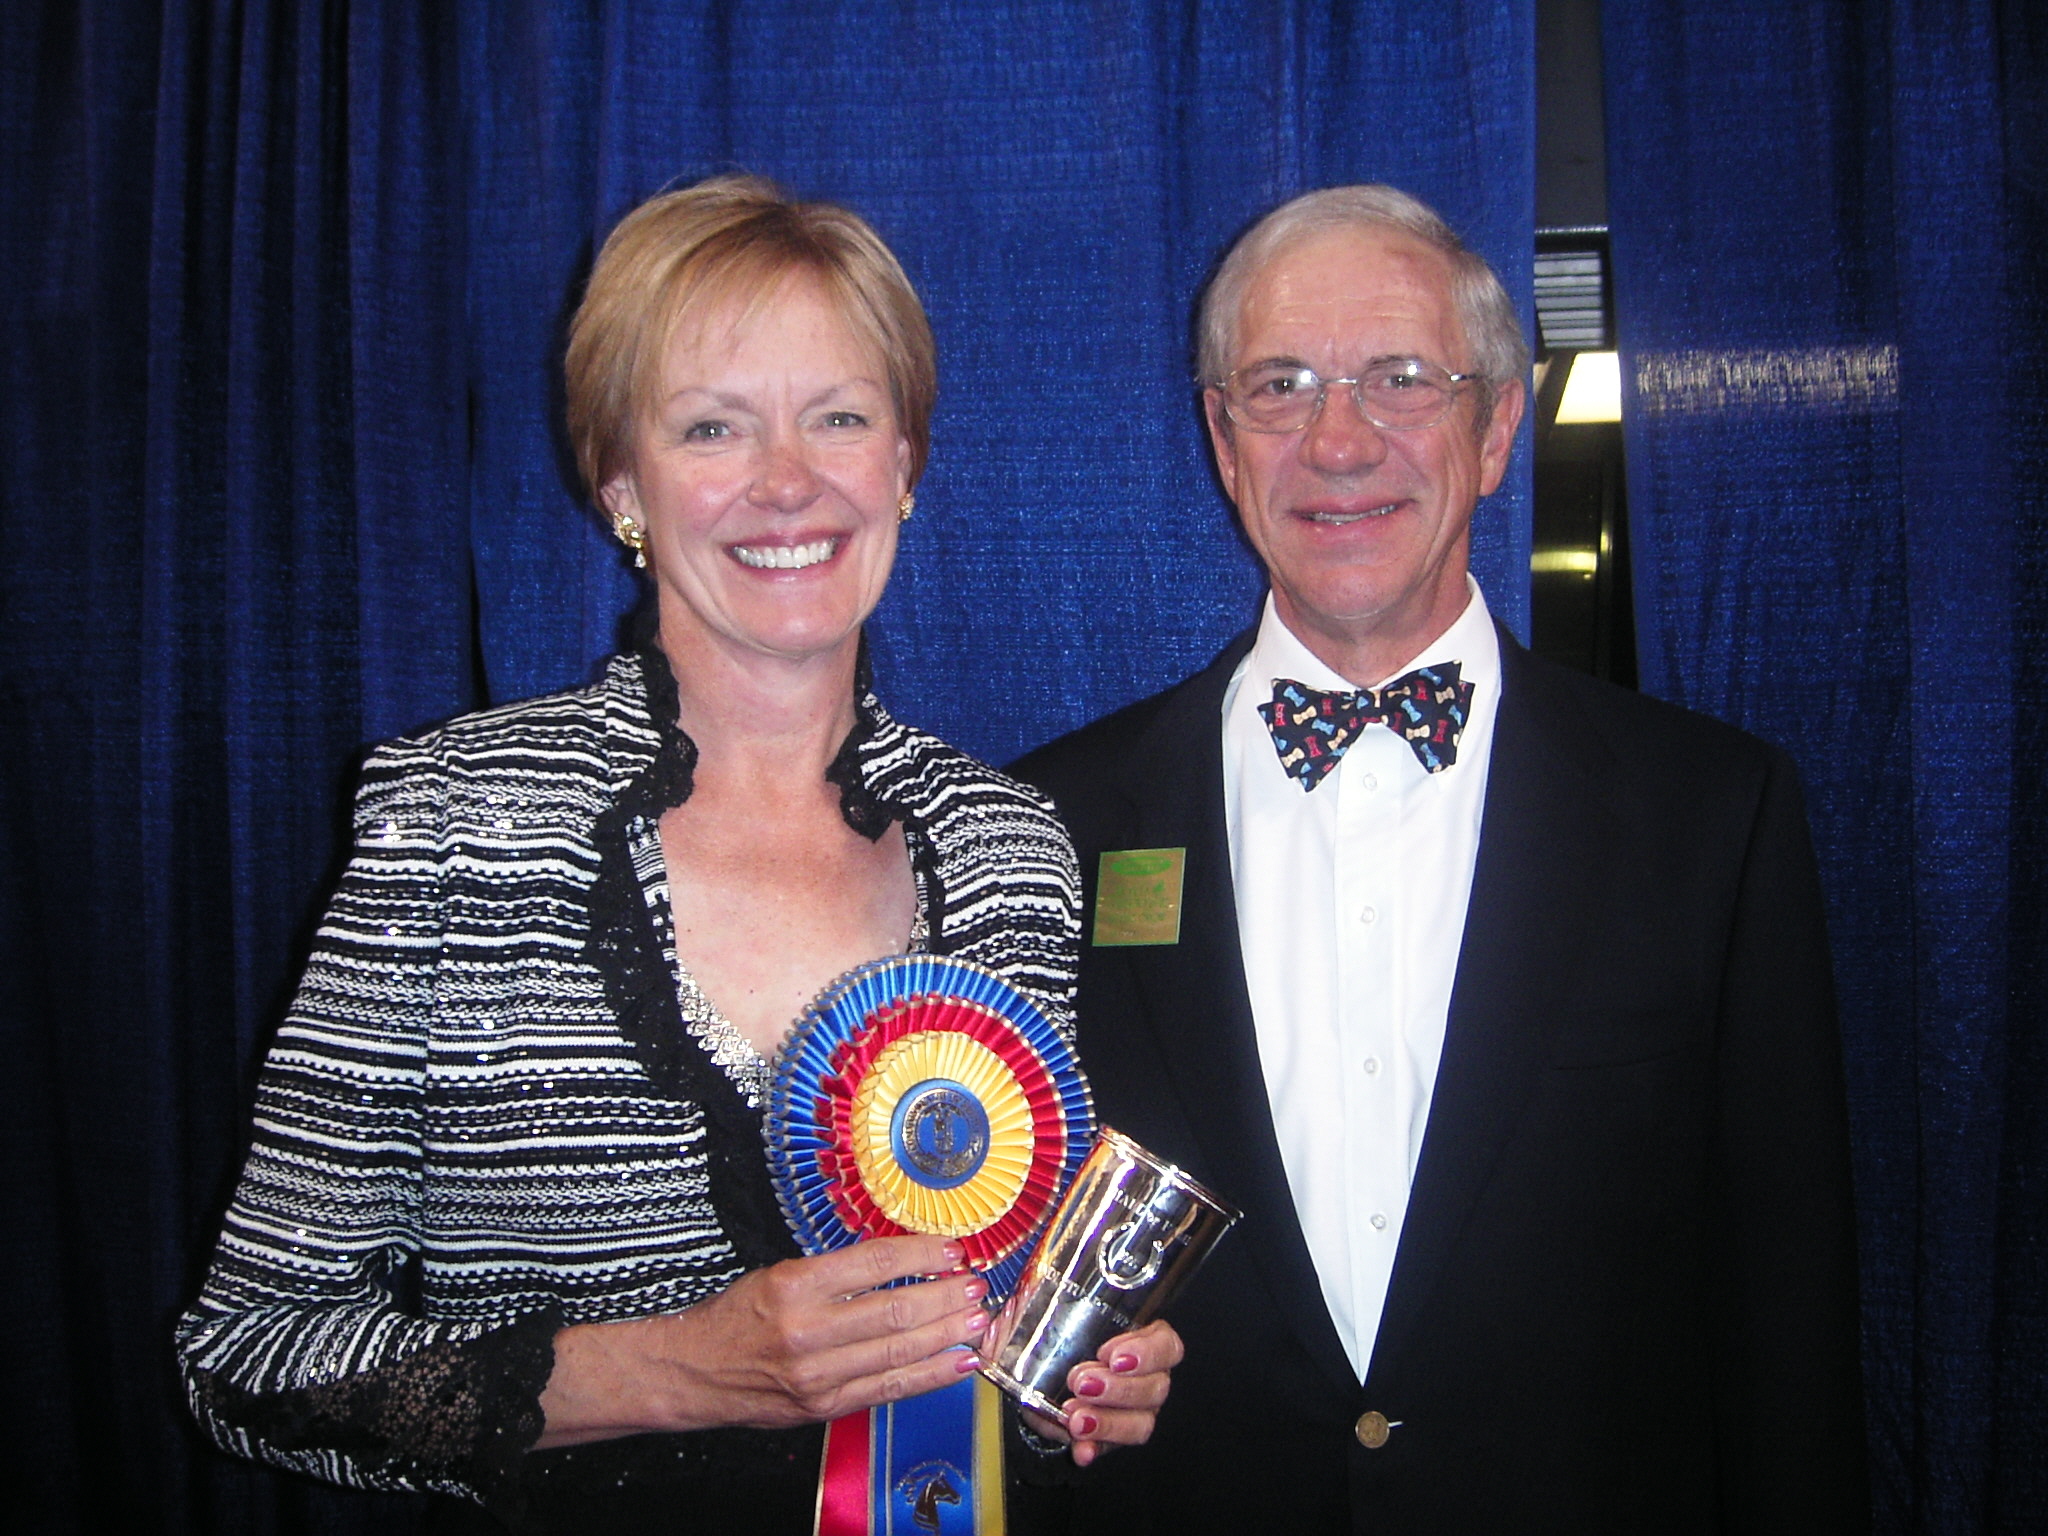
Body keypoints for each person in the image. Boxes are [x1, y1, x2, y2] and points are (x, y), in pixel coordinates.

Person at [176, 175, 1178, 1534]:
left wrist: (1070, 1378)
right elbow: (247, 1360)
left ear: (904, 463)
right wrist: (677, 1370)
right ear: (622, 486)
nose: (788, 480)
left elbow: (995, 1333)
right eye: (714, 426)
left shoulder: (1012, 848)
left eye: (840, 416)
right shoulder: (455, 824)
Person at [1011, 185, 1867, 1533]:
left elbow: (1788, 1312)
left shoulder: (1712, 815)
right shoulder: (1049, 823)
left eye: (1402, 378)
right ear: (1223, 441)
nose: (1339, 439)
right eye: (1281, 385)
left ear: (1497, 427)